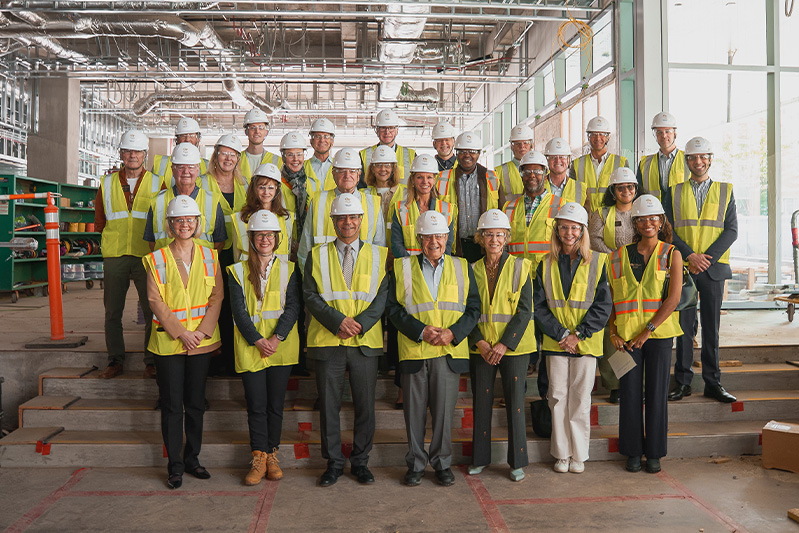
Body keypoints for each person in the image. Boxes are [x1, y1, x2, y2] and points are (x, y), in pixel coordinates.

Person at [387, 210, 480, 487]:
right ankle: (415, 464)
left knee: (442, 414)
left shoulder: (462, 267)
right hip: (416, 351)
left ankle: (442, 463)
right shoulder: (402, 267)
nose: (434, 241)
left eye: (439, 235)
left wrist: (453, 333)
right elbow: (393, 308)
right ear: (419, 238)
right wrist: (420, 331)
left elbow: (474, 308)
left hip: (448, 353)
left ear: (447, 237)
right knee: (413, 414)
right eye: (428, 236)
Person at [303, 193, 389, 487]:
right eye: (342, 218)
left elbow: (381, 299)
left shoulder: (380, 255)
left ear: (362, 221)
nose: (348, 223)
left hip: (364, 344)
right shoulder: (316, 254)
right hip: (329, 342)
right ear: (333, 222)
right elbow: (310, 296)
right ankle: (334, 463)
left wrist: (359, 324)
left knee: (365, 406)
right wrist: (337, 322)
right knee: (329, 407)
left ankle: (361, 463)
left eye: (353, 218)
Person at [143, 195, 223, 489]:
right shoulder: (157, 259)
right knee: (173, 406)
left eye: (190, 220)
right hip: (169, 343)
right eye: (179, 220)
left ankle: (193, 459)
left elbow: (216, 298)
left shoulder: (210, 255)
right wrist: (182, 333)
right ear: (170, 225)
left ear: (197, 223)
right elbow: (155, 301)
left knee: (196, 404)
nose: (185, 225)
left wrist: (201, 332)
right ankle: (175, 466)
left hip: (200, 342)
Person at [533, 202, 612, 474]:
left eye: (574, 228)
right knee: (556, 397)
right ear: (557, 230)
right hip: (556, 341)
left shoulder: (598, 261)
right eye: (564, 227)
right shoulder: (544, 263)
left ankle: (579, 454)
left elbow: (603, 305)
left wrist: (578, 335)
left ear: (582, 231)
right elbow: (539, 305)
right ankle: (561, 453)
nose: (569, 232)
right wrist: (562, 334)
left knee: (580, 399)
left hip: (584, 343)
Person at [607, 195, 683, 475]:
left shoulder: (671, 253)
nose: (648, 223)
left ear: (661, 221)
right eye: (642, 219)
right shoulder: (617, 256)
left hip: (659, 337)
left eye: (653, 218)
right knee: (628, 395)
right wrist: (613, 331)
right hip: (627, 339)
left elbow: (673, 299)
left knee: (656, 394)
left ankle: (654, 453)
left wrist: (648, 331)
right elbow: (613, 299)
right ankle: (632, 452)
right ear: (634, 222)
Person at [228, 210, 301, 485]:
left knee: (275, 406)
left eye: (270, 235)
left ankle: (272, 455)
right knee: (256, 405)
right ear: (251, 238)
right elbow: (238, 311)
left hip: (280, 347)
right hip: (252, 347)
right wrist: (258, 340)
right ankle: (258, 456)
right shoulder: (237, 271)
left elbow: (293, 306)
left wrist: (276, 338)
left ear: (277, 238)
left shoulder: (290, 269)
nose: (265, 239)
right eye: (260, 235)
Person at [665, 137, 738, 404]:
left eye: (703, 157)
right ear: (686, 162)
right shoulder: (673, 191)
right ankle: (683, 382)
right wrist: (689, 257)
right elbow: (668, 230)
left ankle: (713, 382)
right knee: (684, 329)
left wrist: (705, 259)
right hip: (683, 269)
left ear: (710, 158)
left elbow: (731, 230)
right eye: (693, 158)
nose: (698, 162)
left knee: (711, 328)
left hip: (712, 269)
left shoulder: (726, 190)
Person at [467, 209, 534, 482]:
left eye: (498, 234)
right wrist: (480, 342)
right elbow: (467, 311)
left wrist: (504, 345)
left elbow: (525, 310)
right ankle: (480, 459)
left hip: (514, 347)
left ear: (507, 237)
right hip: (482, 346)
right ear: (480, 238)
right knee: (481, 402)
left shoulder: (522, 266)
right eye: (488, 234)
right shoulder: (470, 269)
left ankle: (517, 462)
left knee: (516, 404)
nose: (493, 239)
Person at [96, 130, 163, 379]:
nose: (133, 155)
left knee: (152, 310)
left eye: (137, 151)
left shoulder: (158, 183)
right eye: (128, 151)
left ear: (145, 154)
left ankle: (151, 360)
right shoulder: (107, 183)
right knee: (113, 312)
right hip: (115, 255)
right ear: (121, 154)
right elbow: (100, 221)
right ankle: (115, 360)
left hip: (147, 254)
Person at [503, 150, 561, 389]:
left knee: (546, 328)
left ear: (545, 174)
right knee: (522, 325)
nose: (532, 176)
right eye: (528, 171)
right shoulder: (509, 205)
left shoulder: (559, 205)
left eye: (537, 171)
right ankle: (522, 379)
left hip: (547, 276)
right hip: (518, 276)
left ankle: (545, 389)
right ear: (521, 174)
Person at [587, 166, 640, 403]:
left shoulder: (644, 211)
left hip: (639, 278)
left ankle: (637, 382)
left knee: (636, 328)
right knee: (613, 330)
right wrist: (618, 261)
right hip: (609, 276)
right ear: (613, 190)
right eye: (621, 187)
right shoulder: (602, 214)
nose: (626, 191)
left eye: (630, 187)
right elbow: (594, 240)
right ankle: (616, 384)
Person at [298, 148, 385, 273]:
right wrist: (308, 285)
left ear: (359, 174)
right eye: (341, 171)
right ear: (333, 173)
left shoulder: (373, 203)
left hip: (362, 280)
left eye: (352, 171)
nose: (347, 175)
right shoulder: (319, 201)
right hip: (324, 278)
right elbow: (305, 249)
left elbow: (379, 251)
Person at [204, 133, 249, 377]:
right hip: (212, 253)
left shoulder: (244, 185)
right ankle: (214, 356)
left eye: (233, 155)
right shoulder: (203, 183)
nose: (228, 158)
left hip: (239, 254)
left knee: (236, 305)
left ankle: (233, 357)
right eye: (224, 153)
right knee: (214, 305)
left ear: (238, 159)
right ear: (216, 155)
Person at [144, 143, 227, 252]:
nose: (186, 172)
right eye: (180, 167)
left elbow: (219, 241)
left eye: (191, 167)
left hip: (201, 266)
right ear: (172, 170)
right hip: (167, 265)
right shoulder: (157, 201)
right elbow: (152, 241)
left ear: (198, 170)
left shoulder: (212, 201)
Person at [436, 131, 499, 262]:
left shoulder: (492, 177)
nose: (467, 155)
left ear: (479, 153)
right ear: (456, 153)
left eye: (472, 151)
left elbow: (500, 210)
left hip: (484, 246)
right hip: (455, 246)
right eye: (462, 151)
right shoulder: (442, 178)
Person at [390, 154, 457, 258]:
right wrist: (413, 265)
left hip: (438, 268)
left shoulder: (446, 209)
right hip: (409, 268)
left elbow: (448, 244)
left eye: (429, 177)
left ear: (434, 180)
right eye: (420, 177)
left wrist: (435, 265)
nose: (425, 181)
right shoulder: (400, 208)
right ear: (412, 180)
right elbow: (396, 244)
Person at [233, 163, 293, 263]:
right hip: (249, 275)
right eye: (261, 187)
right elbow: (236, 256)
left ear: (277, 190)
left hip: (280, 275)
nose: (266, 192)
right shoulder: (240, 218)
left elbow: (288, 252)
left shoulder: (286, 218)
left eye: (270, 188)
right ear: (254, 188)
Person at [571, 116, 630, 214]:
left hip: (612, 219)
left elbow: (628, 194)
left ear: (608, 137)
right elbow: (571, 194)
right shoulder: (576, 164)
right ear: (588, 137)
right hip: (585, 219)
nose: (598, 138)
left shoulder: (621, 162)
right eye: (593, 134)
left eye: (602, 134)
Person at [637, 112, 689, 202]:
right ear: (655, 135)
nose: (664, 136)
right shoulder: (644, 163)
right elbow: (639, 194)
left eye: (667, 131)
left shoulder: (688, 159)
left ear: (675, 133)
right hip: (653, 214)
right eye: (659, 132)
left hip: (681, 214)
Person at [360, 109, 415, 185]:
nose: (387, 132)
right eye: (383, 128)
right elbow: (360, 185)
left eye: (391, 128)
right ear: (377, 130)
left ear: (397, 130)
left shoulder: (411, 155)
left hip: (401, 197)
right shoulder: (364, 155)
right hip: (373, 196)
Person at [152, 118, 209, 184]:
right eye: (183, 135)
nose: (187, 139)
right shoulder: (161, 164)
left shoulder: (207, 166)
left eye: (191, 135)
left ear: (198, 140)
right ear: (176, 140)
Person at [496, 123, 534, 206]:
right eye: (517, 144)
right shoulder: (499, 172)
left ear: (532, 145)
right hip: (510, 217)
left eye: (526, 142)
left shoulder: (542, 170)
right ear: (511, 147)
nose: (522, 147)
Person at [239, 108, 281, 181]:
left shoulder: (278, 161)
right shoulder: (236, 160)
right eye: (252, 127)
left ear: (266, 132)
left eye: (261, 127)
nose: (257, 131)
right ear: (246, 131)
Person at [543, 137, 587, 205]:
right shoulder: (537, 186)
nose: (557, 161)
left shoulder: (582, 189)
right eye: (553, 157)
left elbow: (587, 214)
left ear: (568, 160)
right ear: (547, 160)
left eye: (562, 157)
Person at [304, 117, 337, 192]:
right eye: (318, 136)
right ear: (311, 140)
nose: (322, 140)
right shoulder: (302, 167)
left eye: (326, 136)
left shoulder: (339, 167)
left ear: (332, 141)